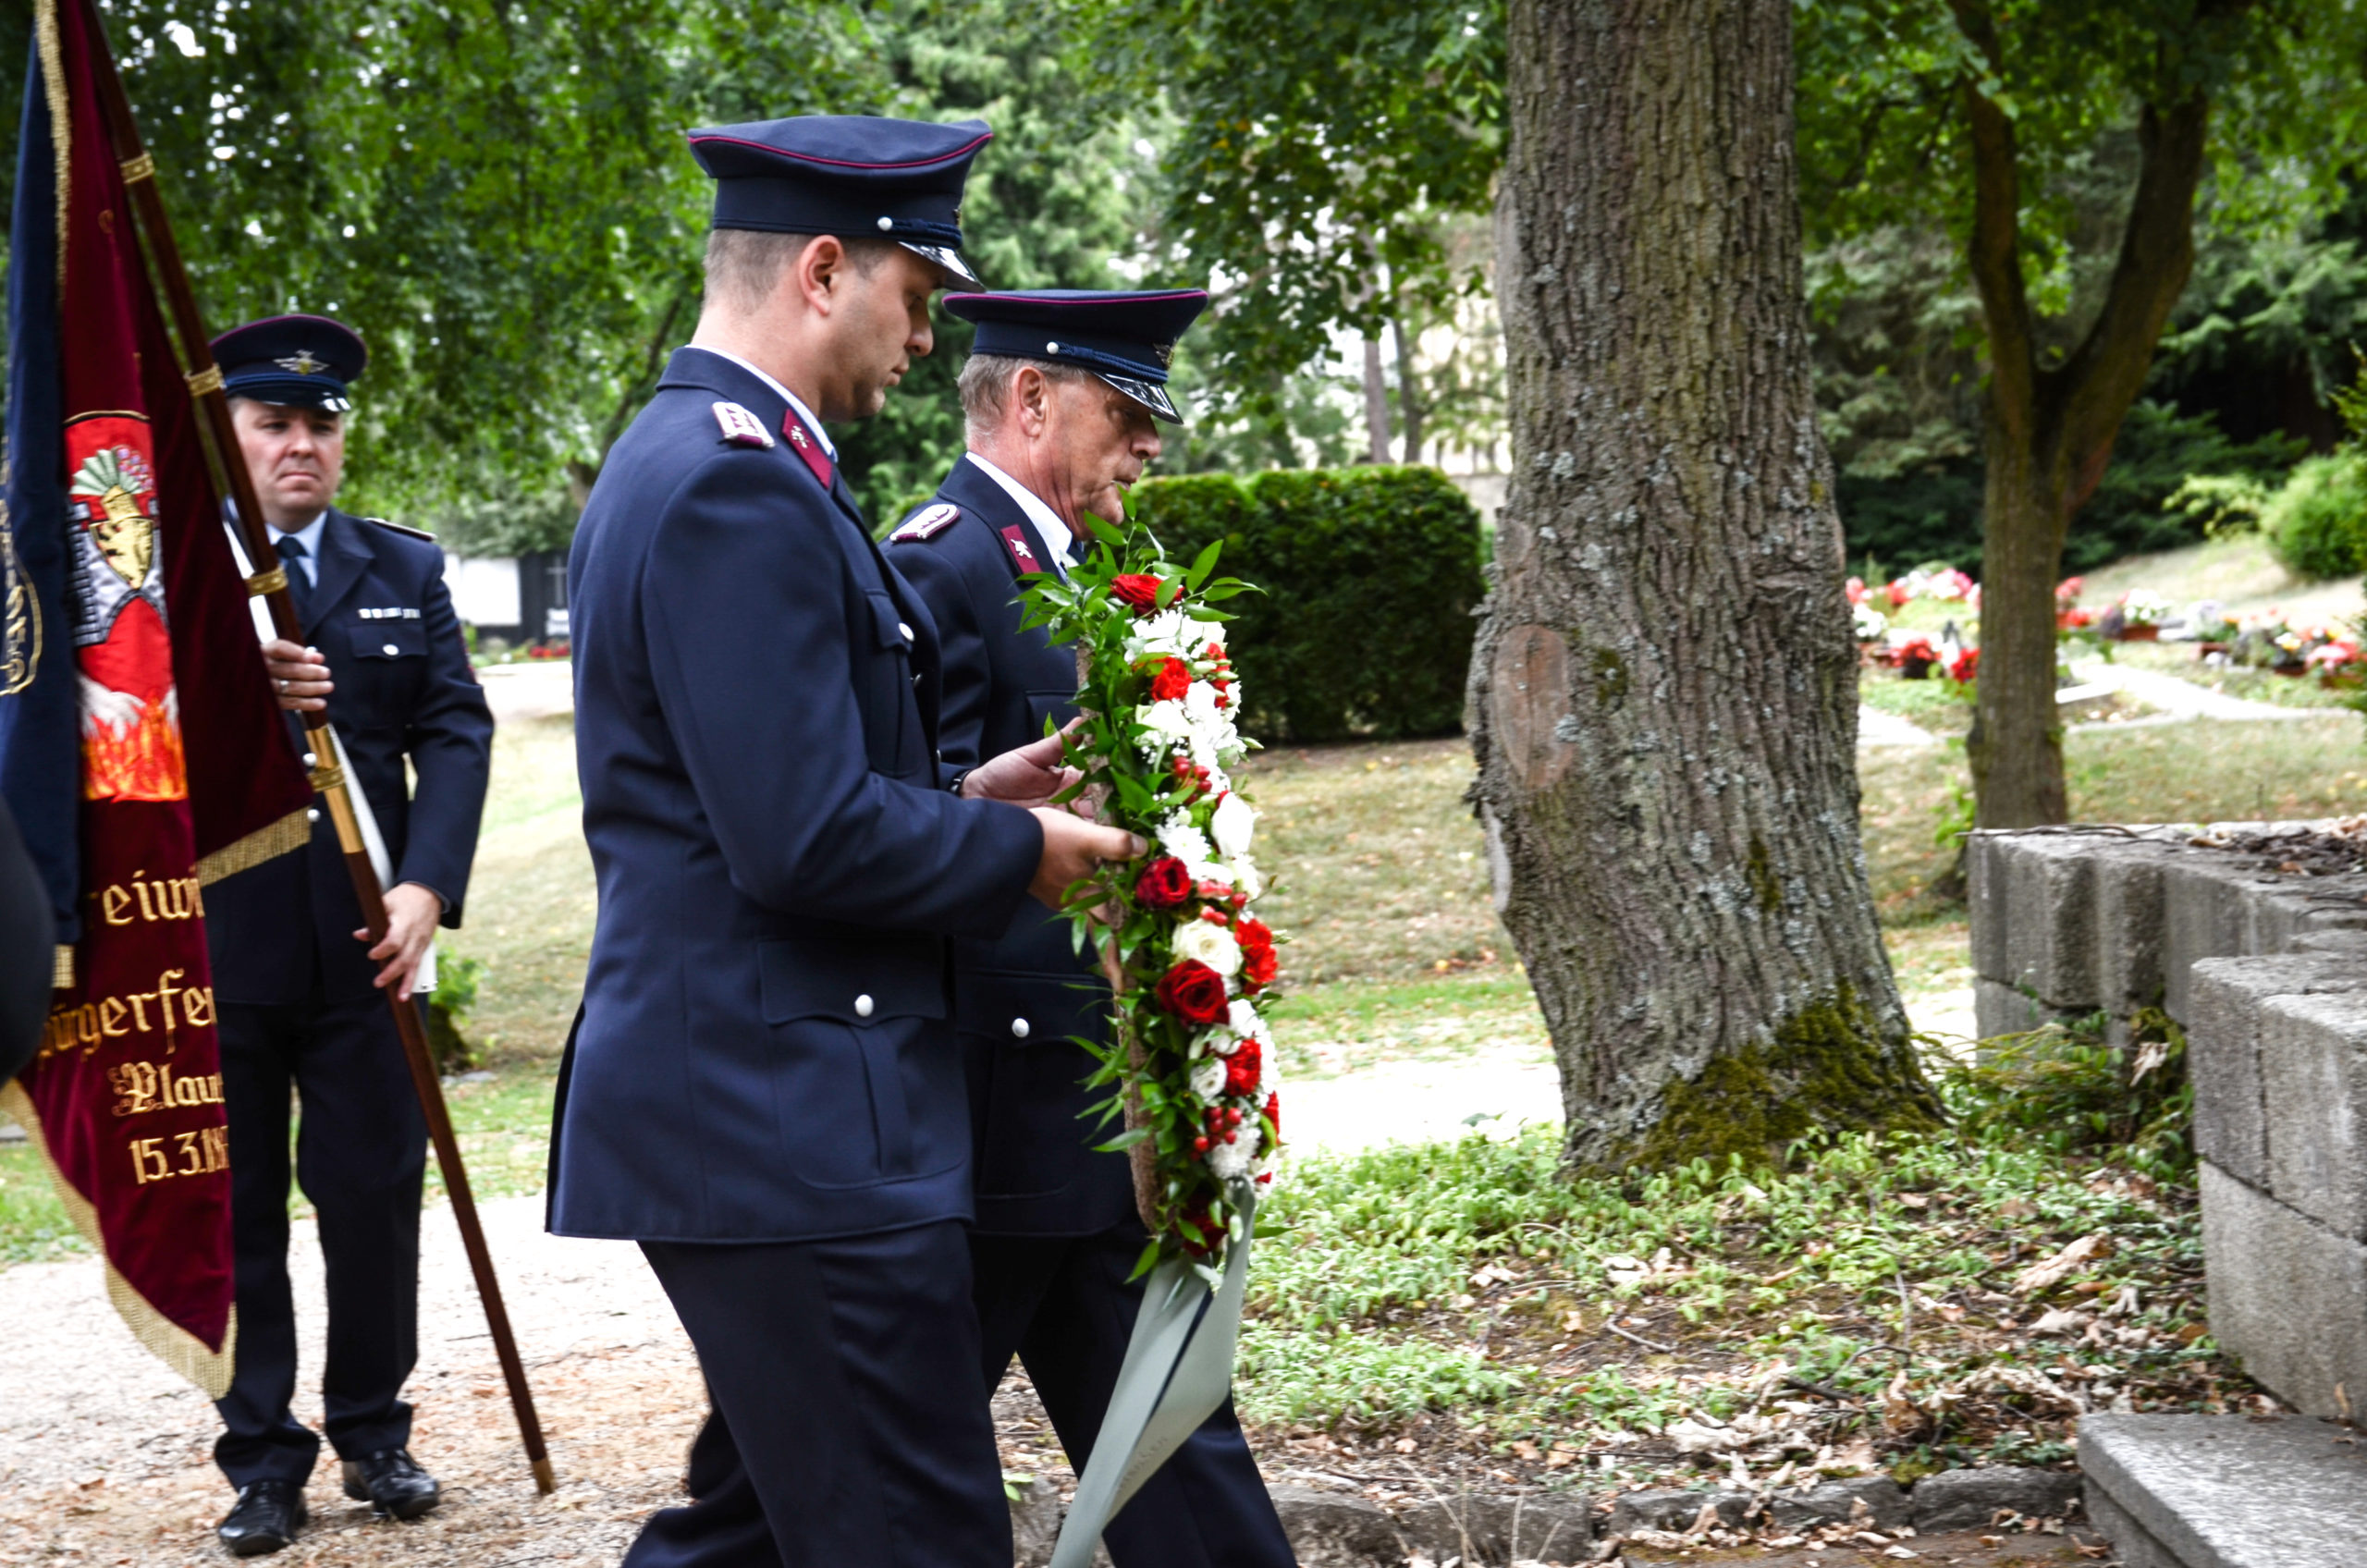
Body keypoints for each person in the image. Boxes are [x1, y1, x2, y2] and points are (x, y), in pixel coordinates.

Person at [546, 116, 1144, 1568]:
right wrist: (1023, 858)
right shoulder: (733, 479)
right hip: (782, 1117)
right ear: (825, 270)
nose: (930, 344)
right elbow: (798, 838)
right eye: (919, 300)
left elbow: (779, 788)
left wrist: (971, 801)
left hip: (774, 1104)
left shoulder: (717, 460)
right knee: (914, 1534)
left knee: (761, 1535)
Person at [890, 288, 1297, 1568]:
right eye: (1124, 416)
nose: (1147, 448)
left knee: (1176, 1440)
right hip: (1001, 1111)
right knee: (880, 1476)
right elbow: (916, 822)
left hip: (1100, 1097)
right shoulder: (938, 565)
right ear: (1030, 402)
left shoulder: (1095, 574)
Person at [199, 315, 494, 1555]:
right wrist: (227, 686)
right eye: (273, 423)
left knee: (372, 1191)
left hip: (374, 942)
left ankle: (374, 1429)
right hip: (222, 943)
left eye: (320, 423)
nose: (301, 444)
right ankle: (262, 1459)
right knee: (243, 1205)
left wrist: (430, 887)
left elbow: (456, 732)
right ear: (229, 436)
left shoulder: (401, 568)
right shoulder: (182, 591)